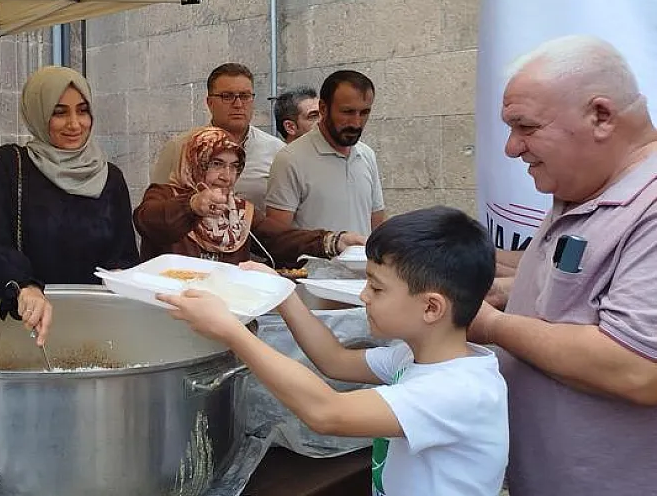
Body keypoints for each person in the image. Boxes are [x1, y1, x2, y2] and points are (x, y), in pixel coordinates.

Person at [161, 206, 507, 496]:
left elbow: (327, 413)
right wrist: (282, 293)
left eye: (376, 287)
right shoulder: (413, 357)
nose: (363, 296)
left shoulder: (459, 391)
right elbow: (334, 360)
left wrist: (232, 331)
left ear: (431, 308)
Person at [469, 35, 657, 496]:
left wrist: (490, 324)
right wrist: (511, 292)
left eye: (525, 127)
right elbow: (581, 289)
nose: (512, 149)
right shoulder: (584, 188)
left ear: (601, 116)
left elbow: (636, 366)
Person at [0, 66, 138, 346]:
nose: (74, 124)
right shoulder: (11, 165)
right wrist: (24, 285)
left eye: (82, 111)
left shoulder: (110, 176)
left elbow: (124, 255)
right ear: (38, 114)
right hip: (26, 327)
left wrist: (122, 275)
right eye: (59, 112)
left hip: (94, 331)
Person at [135, 126, 362, 266]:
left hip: (225, 316)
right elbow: (148, 221)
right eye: (216, 164)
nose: (227, 176)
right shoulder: (164, 195)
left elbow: (279, 238)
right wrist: (192, 206)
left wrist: (333, 241)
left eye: (234, 167)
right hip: (171, 316)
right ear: (195, 163)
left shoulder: (239, 210)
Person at [151, 63, 284, 213]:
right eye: (227, 96)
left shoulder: (277, 150)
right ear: (209, 103)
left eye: (245, 96)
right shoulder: (180, 147)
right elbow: (156, 211)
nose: (238, 104)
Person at [266, 70, 386, 235]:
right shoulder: (290, 160)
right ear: (323, 108)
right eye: (347, 112)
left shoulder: (367, 155)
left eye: (364, 113)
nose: (356, 123)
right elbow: (277, 237)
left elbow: (377, 225)